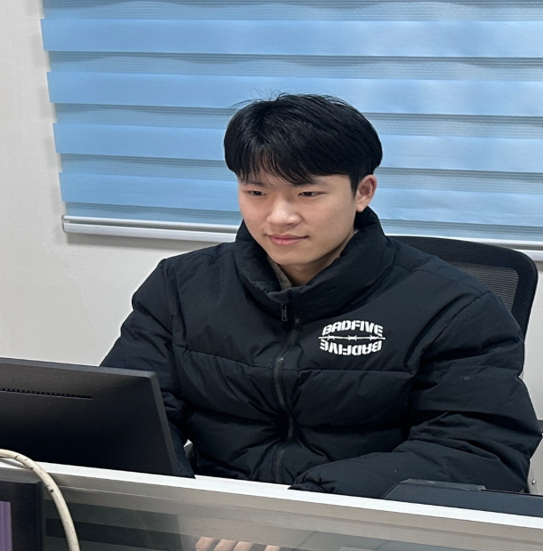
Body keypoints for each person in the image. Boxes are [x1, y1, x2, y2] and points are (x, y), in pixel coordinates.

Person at [103, 92, 540, 518]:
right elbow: (128, 415)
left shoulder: (456, 306)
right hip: (216, 522)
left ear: (363, 192)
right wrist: (185, 506)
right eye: (256, 192)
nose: (279, 217)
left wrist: (306, 509)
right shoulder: (180, 286)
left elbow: (478, 450)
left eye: (307, 194)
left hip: (365, 525)